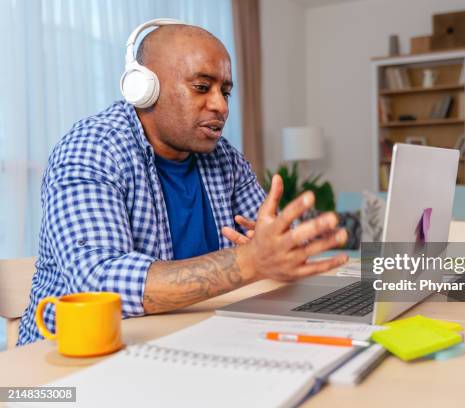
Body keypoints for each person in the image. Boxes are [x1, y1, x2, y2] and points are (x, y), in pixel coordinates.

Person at [17, 22, 347, 345]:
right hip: (69, 358)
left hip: (189, 340)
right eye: (202, 88)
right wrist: (251, 261)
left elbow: (270, 242)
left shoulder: (223, 158)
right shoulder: (93, 149)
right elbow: (101, 284)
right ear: (144, 89)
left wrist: (282, 248)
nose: (221, 105)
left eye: (225, 91)